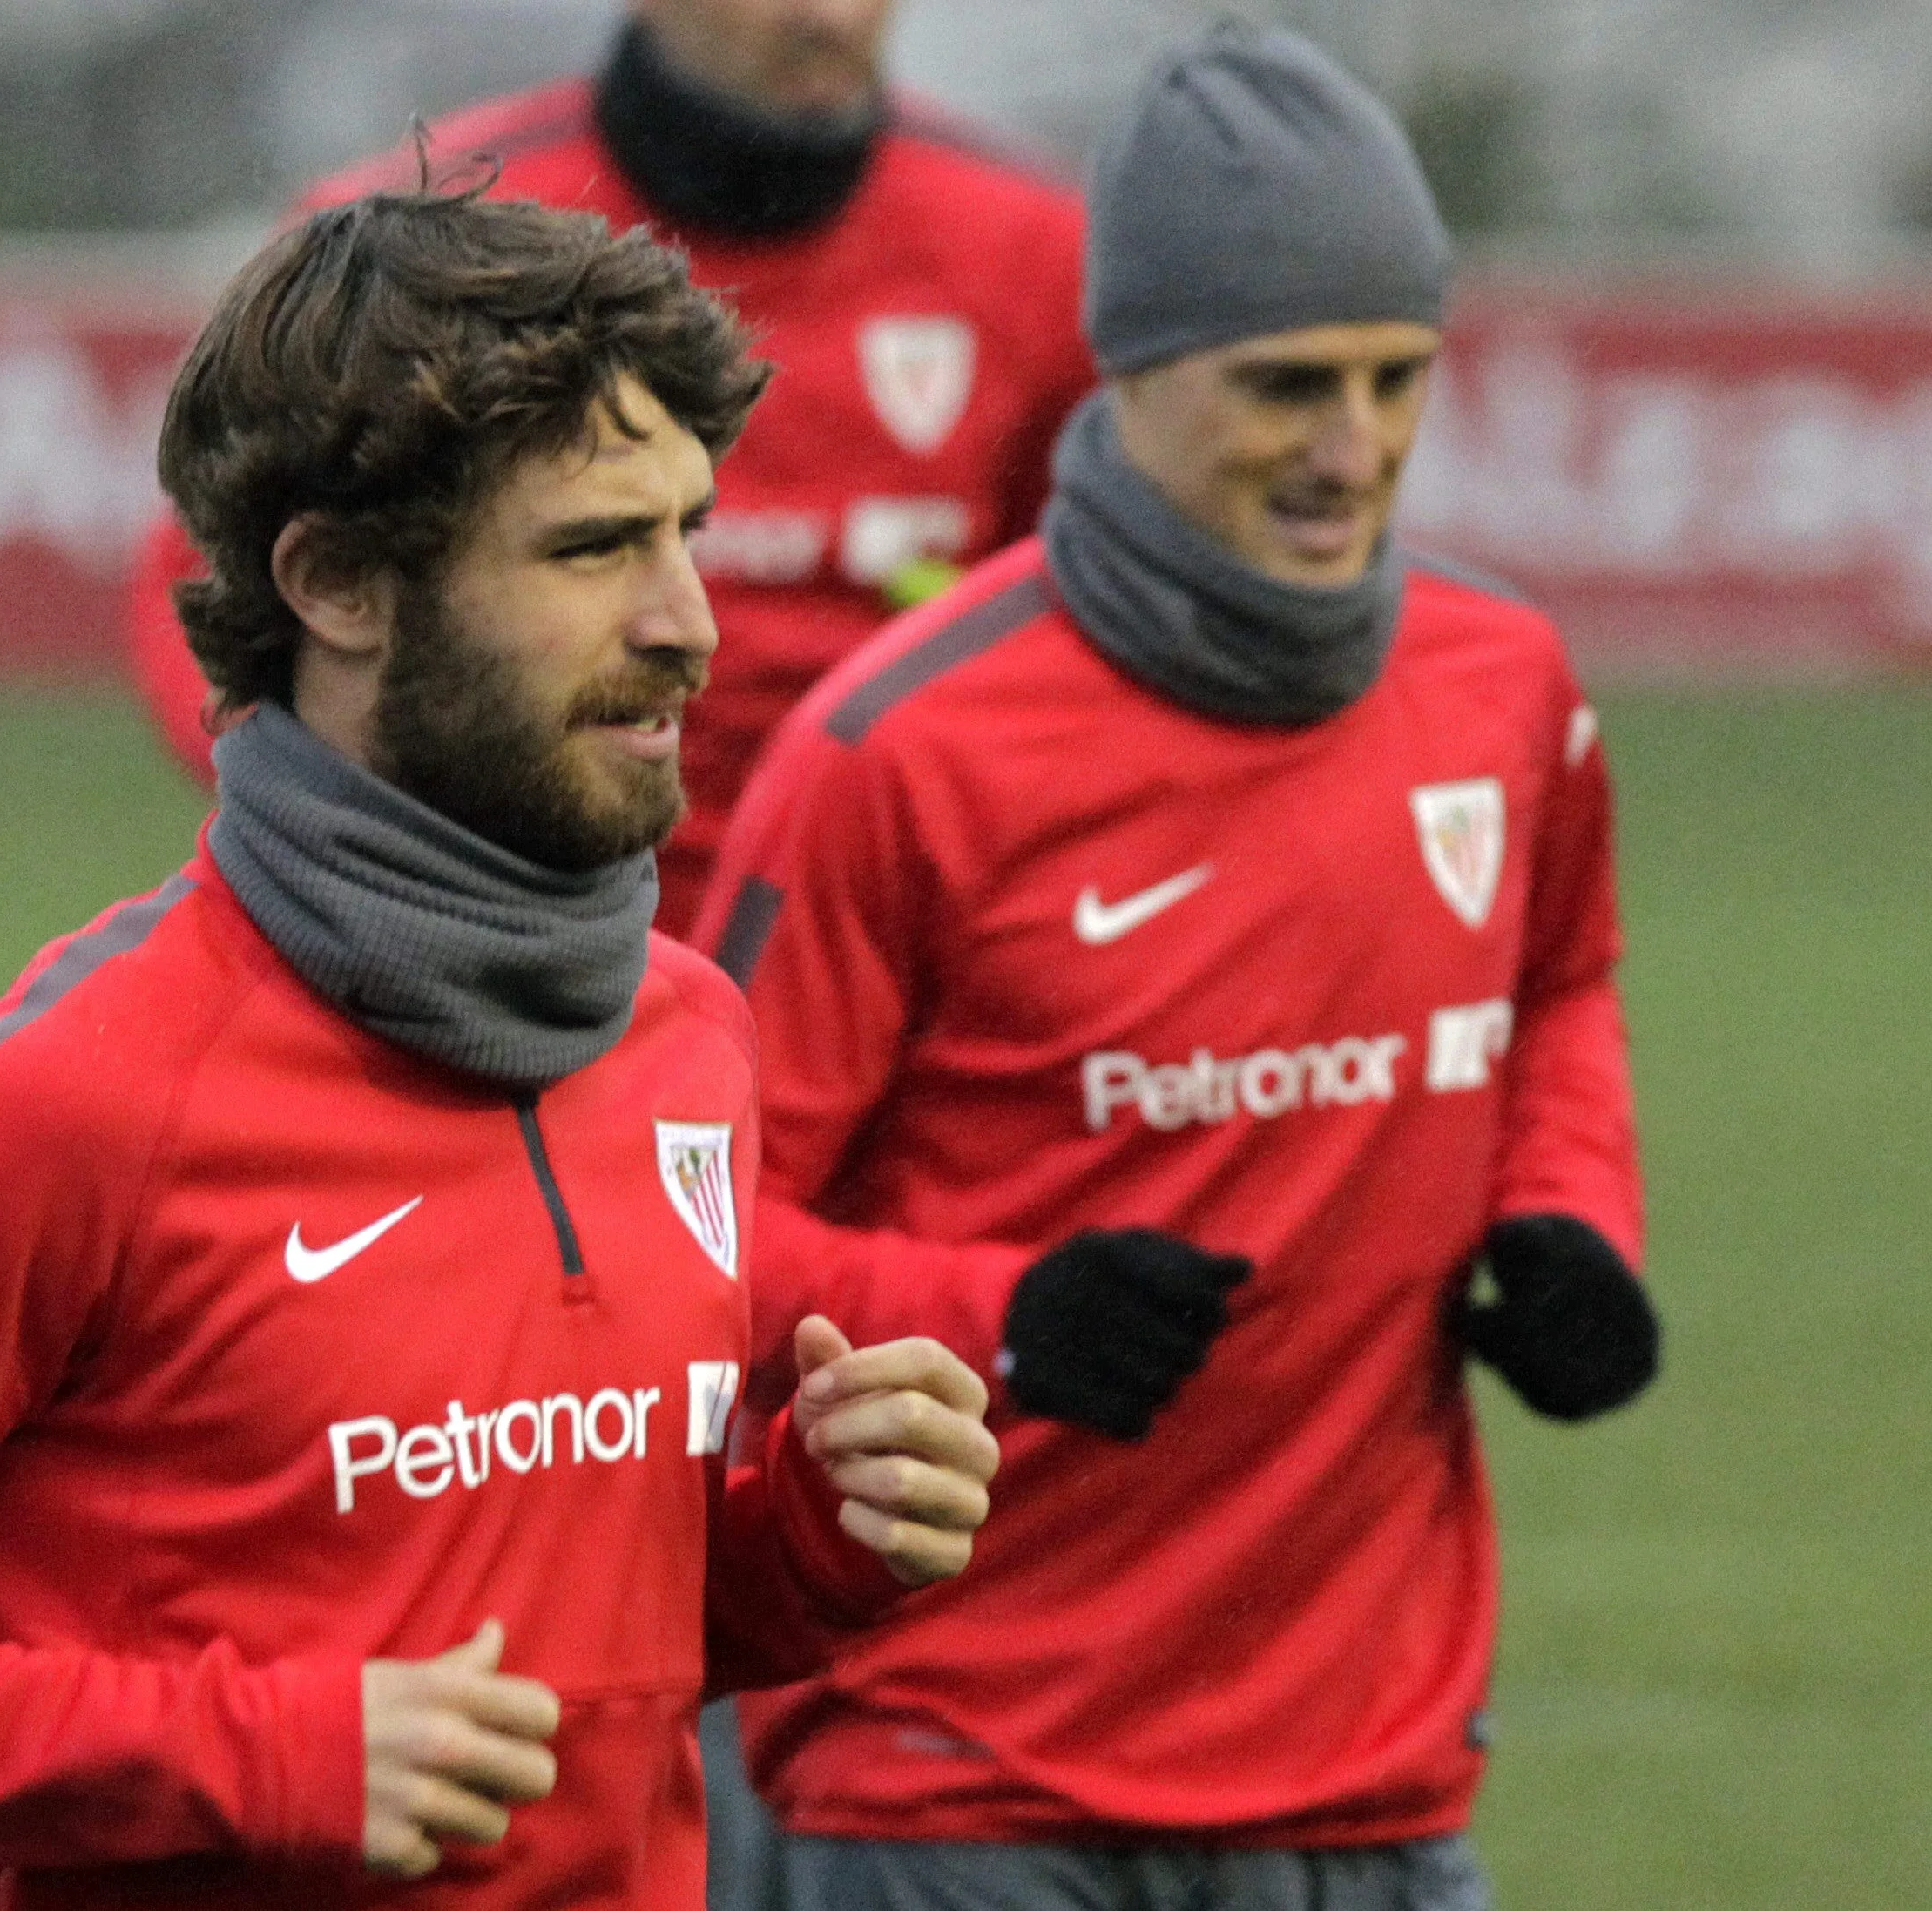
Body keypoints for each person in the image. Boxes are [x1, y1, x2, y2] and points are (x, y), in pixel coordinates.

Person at [0, 187, 1004, 1909]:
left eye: (688, 528)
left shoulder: (687, 1033)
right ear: (339, 583)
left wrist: (818, 1546)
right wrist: (249, 1759)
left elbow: (563, 1641)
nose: (692, 617)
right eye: (596, 546)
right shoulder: (64, 1101)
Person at [690, 25, 1659, 1909]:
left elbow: (1558, 981)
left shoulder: (1506, 685)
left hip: (1373, 1780)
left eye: (1398, 379)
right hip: (955, 1781)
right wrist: (1004, 1313)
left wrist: (1568, 1215)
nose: (1354, 447)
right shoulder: (904, 749)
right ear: (1130, 372)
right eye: (1288, 384)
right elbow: (689, 1237)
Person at [124, 0, 1096, 927]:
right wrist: (375, 853)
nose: (829, 18)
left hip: (891, 954)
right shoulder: (419, 237)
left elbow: (1073, 630)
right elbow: (204, 595)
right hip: (509, 953)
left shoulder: (1037, 248)